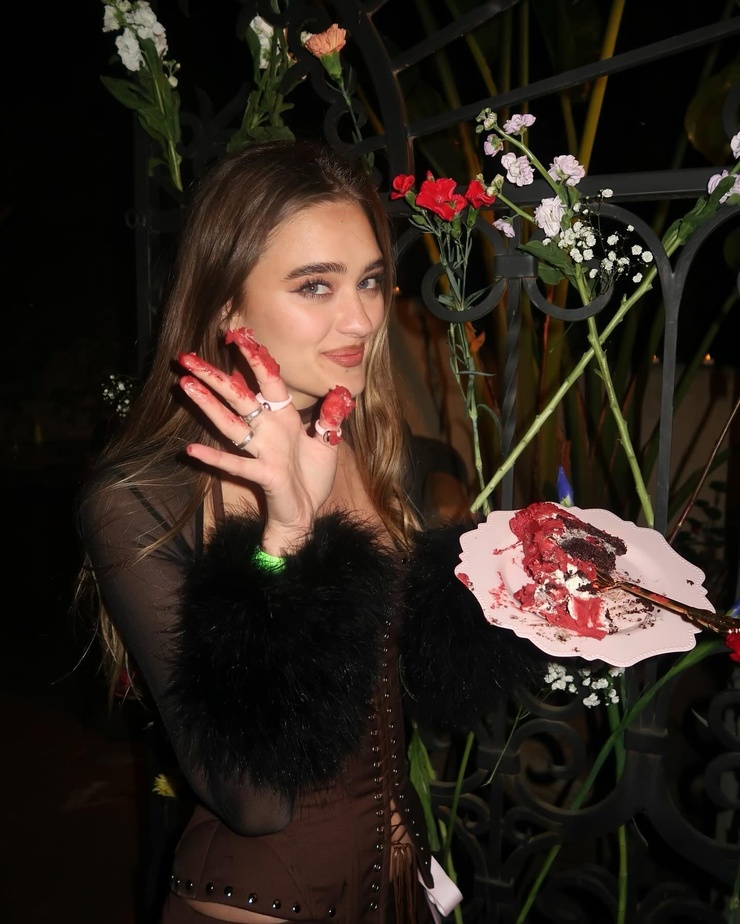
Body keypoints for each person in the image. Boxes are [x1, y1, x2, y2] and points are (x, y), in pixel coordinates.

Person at [76, 139, 545, 924]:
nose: (361, 318)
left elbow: (409, 680)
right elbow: (256, 800)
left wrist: (529, 590)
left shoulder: (367, 442)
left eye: (370, 280)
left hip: (402, 893)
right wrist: (285, 539)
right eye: (315, 285)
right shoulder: (143, 495)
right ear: (227, 306)